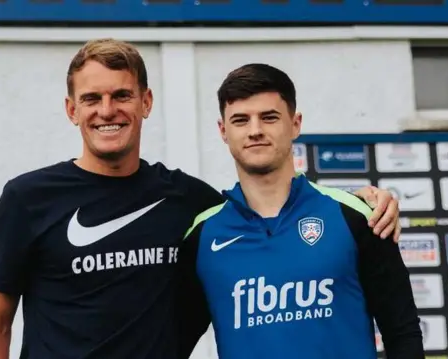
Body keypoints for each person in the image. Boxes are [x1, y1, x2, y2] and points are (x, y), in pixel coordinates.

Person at [0, 38, 402, 359]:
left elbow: (271, 214)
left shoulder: (190, 203)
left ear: (146, 102)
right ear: (72, 110)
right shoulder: (28, 198)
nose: (107, 110)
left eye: (121, 95)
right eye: (91, 99)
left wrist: (366, 203)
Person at [176, 63, 424, 359]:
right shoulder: (201, 237)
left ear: (295, 123)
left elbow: (402, 333)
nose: (255, 131)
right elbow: (168, 342)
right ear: (223, 131)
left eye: (269, 118)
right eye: (241, 120)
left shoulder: (357, 216)